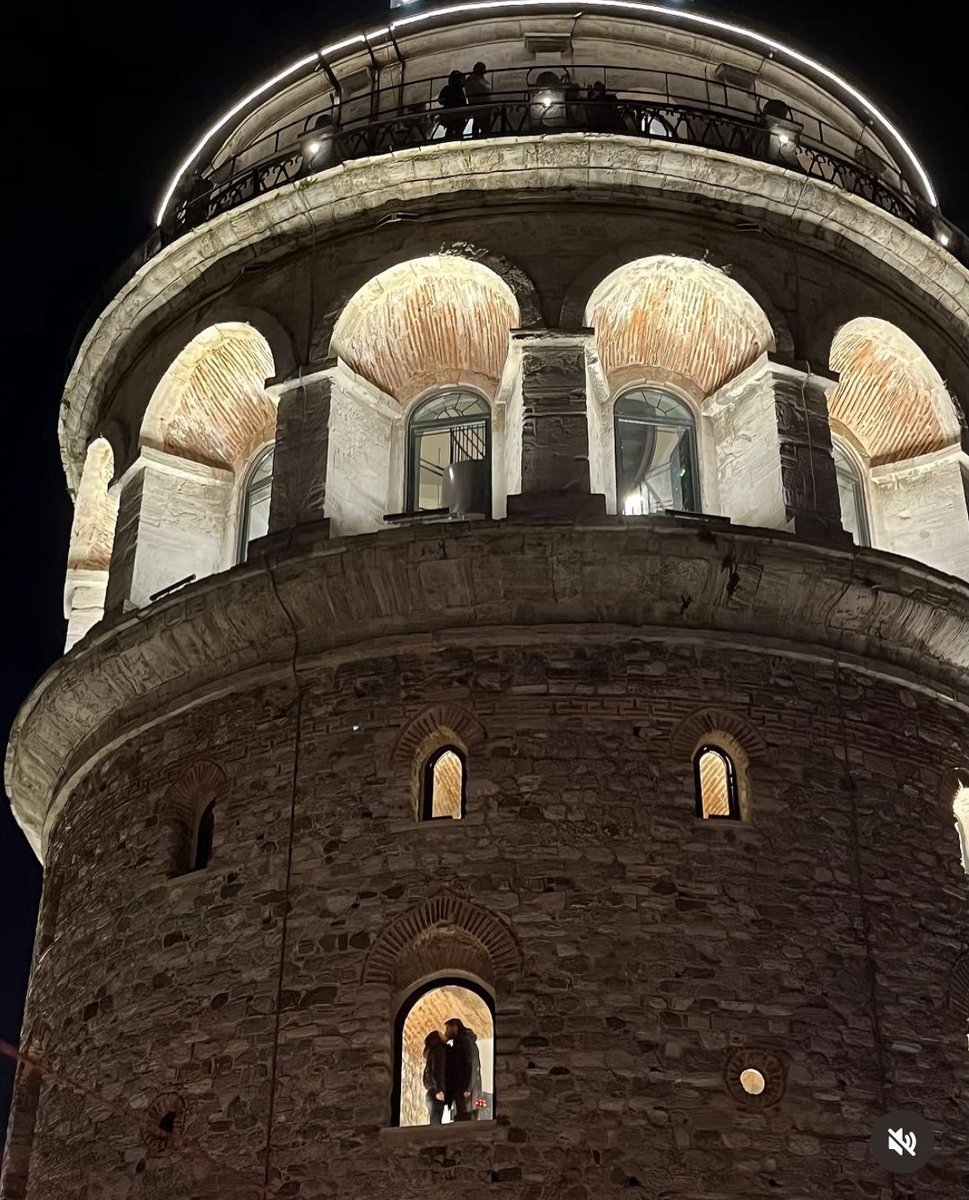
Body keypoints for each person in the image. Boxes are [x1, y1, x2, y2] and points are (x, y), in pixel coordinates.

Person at [445, 1017, 481, 1121]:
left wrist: (468, 1087)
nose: (446, 1032)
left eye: (448, 1029)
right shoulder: (460, 1042)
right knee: (463, 1117)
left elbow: (472, 1064)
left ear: (455, 1027)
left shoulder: (466, 1041)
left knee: (467, 1119)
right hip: (462, 1089)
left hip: (467, 1090)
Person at [422, 1030, 449, 1125]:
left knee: (434, 1122)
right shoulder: (439, 1050)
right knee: (436, 1125)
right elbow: (438, 1070)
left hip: (431, 1092)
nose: (444, 1034)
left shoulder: (433, 1052)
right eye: (441, 1034)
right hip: (436, 1092)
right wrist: (440, 1090)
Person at [465, 61, 493, 138]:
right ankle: (477, 137)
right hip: (479, 104)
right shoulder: (471, 79)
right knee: (478, 122)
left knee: (484, 124)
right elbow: (480, 89)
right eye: (482, 69)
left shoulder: (479, 79)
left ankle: (484, 136)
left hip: (485, 105)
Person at [438, 70, 467, 140]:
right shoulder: (455, 90)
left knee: (453, 131)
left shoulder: (449, 89)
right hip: (455, 115)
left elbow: (441, 101)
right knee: (454, 131)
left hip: (455, 115)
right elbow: (441, 100)